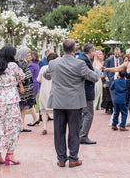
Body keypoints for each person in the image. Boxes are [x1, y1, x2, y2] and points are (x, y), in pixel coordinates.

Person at [43, 39, 100, 168]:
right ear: (75, 50)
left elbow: (46, 76)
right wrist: (97, 69)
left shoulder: (53, 63)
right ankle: (73, 158)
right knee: (74, 131)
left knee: (59, 132)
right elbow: (94, 78)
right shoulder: (79, 64)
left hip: (58, 101)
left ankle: (61, 159)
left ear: (62, 49)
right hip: (75, 102)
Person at [79, 43, 98, 145]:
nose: (94, 53)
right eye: (94, 51)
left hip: (83, 91)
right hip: (86, 91)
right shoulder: (84, 60)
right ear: (91, 51)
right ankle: (83, 136)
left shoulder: (82, 59)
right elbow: (91, 76)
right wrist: (97, 73)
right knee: (88, 114)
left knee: (84, 114)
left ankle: (80, 134)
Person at [15, 47, 36, 133]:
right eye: (27, 53)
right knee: (22, 108)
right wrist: (21, 87)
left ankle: (21, 125)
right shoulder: (21, 63)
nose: (28, 55)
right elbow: (18, 76)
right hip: (22, 88)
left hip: (26, 88)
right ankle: (20, 125)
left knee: (23, 108)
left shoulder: (23, 62)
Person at [37, 52, 58, 135]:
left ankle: (44, 126)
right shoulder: (57, 68)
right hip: (54, 91)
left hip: (44, 90)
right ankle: (56, 128)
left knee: (44, 111)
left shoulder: (43, 68)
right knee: (56, 111)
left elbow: (38, 79)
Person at [27, 51, 41, 126]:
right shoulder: (36, 65)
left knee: (30, 102)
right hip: (36, 84)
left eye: (29, 56)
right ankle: (35, 118)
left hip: (32, 84)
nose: (28, 57)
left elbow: (29, 76)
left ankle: (35, 119)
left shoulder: (31, 65)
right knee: (32, 101)